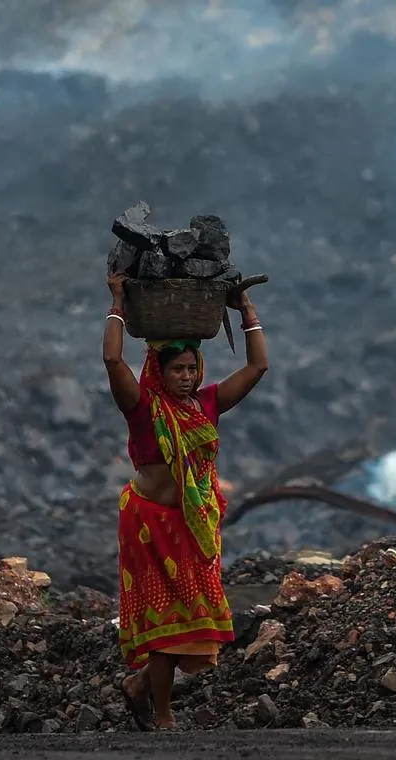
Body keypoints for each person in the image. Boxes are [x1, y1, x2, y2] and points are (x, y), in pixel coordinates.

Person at [103, 270, 268, 730]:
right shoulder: (141, 407)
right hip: (148, 522)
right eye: (178, 369)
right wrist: (118, 302)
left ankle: (138, 688)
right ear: (160, 370)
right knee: (166, 621)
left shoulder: (206, 404)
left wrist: (246, 311)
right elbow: (113, 361)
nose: (187, 376)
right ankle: (163, 714)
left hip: (192, 521)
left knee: (190, 617)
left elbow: (258, 368)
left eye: (192, 368)